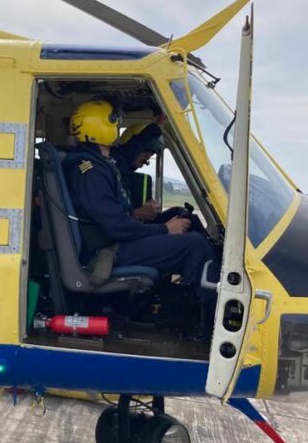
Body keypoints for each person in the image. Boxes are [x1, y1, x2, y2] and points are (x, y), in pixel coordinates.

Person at [62, 100, 216, 296]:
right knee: (195, 245)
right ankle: (209, 311)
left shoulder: (101, 161)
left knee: (183, 216)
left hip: (114, 240)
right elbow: (117, 226)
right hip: (107, 251)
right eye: (115, 122)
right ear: (102, 125)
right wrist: (166, 229)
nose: (117, 127)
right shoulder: (90, 171)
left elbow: (129, 151)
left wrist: (158, 125)